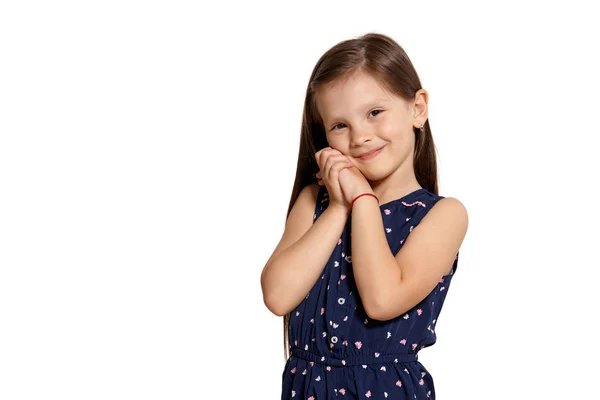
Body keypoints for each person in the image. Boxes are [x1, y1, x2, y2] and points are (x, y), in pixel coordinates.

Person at [260, 32, 468, 400]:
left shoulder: (443, 215)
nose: (360, 137)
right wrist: (339, 206)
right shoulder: (316, 202)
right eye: (340, 125)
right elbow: (278, 296)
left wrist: (363, 200)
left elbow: (382, 299)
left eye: (374, 113)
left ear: (417, 109)